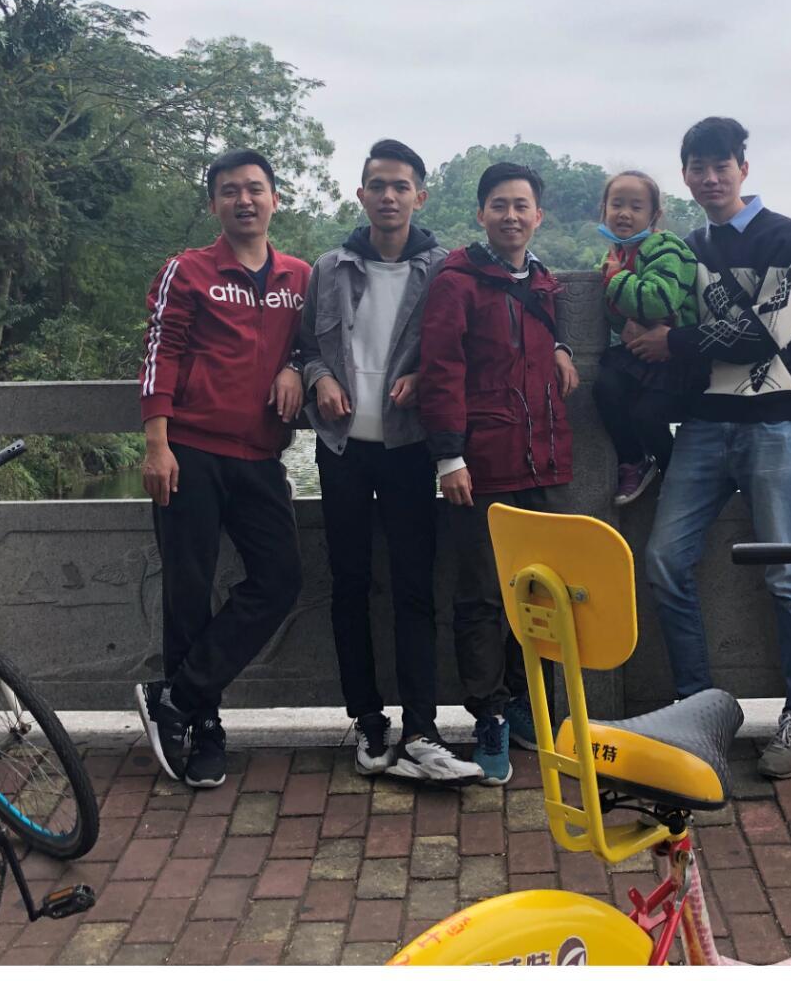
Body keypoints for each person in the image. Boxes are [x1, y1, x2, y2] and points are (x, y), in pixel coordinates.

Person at [627, 117, 791, 779]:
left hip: (771, 423)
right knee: (662, 560)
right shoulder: (686, 245)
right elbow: (662, 311)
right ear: (683, 174)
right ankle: (697, 703)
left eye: (721, 166)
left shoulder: (782, 234)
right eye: (697, 167)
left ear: (743, 167)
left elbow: (770, 329)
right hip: (704, 427)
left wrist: (676, 342)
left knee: (788, 573)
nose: (709, 178)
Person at [297, 139, 480, 784]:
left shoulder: (446, 270)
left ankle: (422, 726)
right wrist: (318, 375)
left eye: (401, 186)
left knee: (414, 589)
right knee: (348, 586)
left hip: (408, 451)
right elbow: (303, 348)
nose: (389, 196)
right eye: (377, 185)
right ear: (362, 194)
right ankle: (368, 719)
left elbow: (466, 344)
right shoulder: (330, 267)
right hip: (343, 447)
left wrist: (427, 373)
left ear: (419, 196)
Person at [133, 149, 310, 790]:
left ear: (275, 199)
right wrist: (158, 444)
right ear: (213, 204)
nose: (244, 200)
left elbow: (310, 346)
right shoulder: (188, 271)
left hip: (261, 457)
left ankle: (175, 699)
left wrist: (295, 367)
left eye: (255, 190)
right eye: (230, 191)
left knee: (281, 579)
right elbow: (161, 353)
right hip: (191, 453)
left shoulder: (299, 278)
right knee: (188, 588)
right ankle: (202, 728)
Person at [419, 162, 579, 783]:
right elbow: (440, 371)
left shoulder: (542, 281)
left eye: (522, 206)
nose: (511, 216)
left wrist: (562, 346)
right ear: (481, 213)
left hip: (543, 458)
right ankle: (487, 714)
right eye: (499, 205)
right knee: (482, 597)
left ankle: (523, 702)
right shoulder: (456, 281)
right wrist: (449, 455)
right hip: (482, 464)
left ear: (539, 216)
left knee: (536, 594)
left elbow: (544, 341)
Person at [594, 170, 698, 505]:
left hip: (678, 357)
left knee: (647, 414)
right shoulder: (616, 257)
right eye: (617, 204)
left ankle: (675, 476)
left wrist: (616, 280)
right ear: (604, 210)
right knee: (605, 387)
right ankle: (633, 462)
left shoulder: (667, 247)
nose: (624, 213)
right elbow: (615, 316)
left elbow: (659, 301)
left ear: (653, 215)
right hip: (639, 354)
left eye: (636, 206)